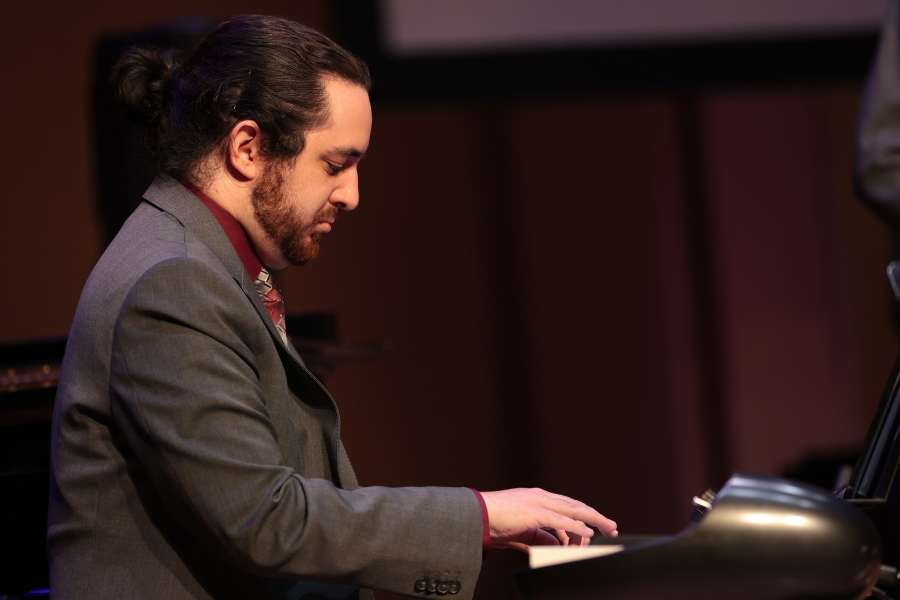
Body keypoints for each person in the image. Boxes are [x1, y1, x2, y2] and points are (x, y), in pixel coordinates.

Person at [48, 14, 618, 600]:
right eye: (336, 164)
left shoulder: (201, 265)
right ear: (248, 147)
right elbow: (264, 522)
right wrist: (480, 517)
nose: (351, 194)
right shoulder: (173, 284)